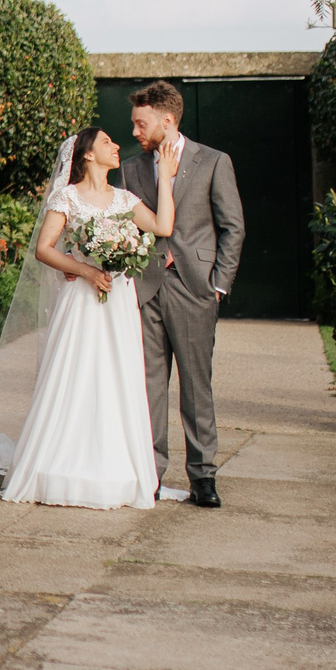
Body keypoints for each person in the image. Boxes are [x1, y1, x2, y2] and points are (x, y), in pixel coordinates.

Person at [0, 126, 178, 510]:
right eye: (107, 142)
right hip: (82, 299)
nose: (116, 147)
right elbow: (44, 249)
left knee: (117, 377)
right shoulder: (68, 197)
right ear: (89, 155)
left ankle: (117, 469)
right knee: (74, 375)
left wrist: (166, 180)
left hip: (118, 303)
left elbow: (162, 227)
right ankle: (57, 464)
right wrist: (84, 269)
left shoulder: (125, 199)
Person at [119, 80, 245, 508]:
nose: (135, 132)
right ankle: (150, 473)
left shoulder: (212, 161)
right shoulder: (133, 169)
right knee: (149, 385)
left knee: (196, 386)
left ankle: (203, 476)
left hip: (195, 288)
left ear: (167, 121)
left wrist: (218, 285)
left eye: (141, 123)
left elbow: (233, 227)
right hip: (146, 288)